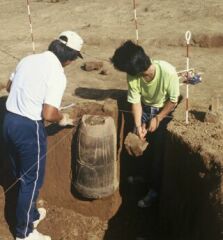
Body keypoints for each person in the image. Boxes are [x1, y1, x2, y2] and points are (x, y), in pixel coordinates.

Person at [3, 30, 83, 240]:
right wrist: (61, 118)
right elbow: (48, 113)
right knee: (32, 180)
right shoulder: (57, 73)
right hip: (29, 128)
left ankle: (31, 215)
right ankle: (24, 233)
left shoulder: (28, 59)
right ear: (70, 58)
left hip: (9, 122)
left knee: (21, 175)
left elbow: (10, 87)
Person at [111, 40, 179, 208]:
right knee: (141, 147)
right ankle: (143, 177)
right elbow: (135, 101)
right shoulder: (133, 75)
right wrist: (138, 125)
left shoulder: (168, 72)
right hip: (145, 109)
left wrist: (158, 118)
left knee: (157, 153)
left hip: (163, 111)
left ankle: (154, 191)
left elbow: (173, 101)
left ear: (137, 69)